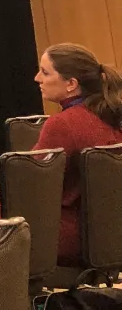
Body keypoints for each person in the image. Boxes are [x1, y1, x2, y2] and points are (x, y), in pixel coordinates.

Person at [34, 42, 122, 265]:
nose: (37, 78)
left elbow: (34, 189)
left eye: (45, 72)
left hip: (71, 241)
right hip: (111, 235)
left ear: (71, 84)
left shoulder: (62, 125)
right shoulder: (112, 116)